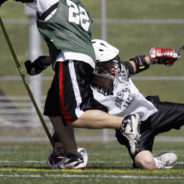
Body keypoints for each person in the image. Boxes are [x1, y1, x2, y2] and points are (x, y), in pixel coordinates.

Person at [26, 39, 184, 169]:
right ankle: (160, 161)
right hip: (130, 130)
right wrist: (44, 62)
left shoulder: (119, 71)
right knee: (146, 165)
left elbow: (144, 60)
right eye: (108, 62)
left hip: (152, 111)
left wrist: (161, 55)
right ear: (96, 68)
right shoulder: (86, 92)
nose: (115, 64)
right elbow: (69, 102)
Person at [3, 0, 142, 169]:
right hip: (73, 58)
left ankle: (124, 122)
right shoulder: (75, 5)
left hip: (72, 59)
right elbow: (72, 37)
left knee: (74, 115)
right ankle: (72, 155)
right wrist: (46, 61)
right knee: (54, 110)